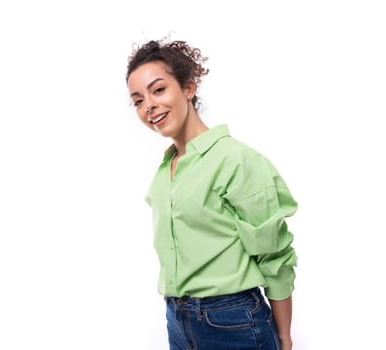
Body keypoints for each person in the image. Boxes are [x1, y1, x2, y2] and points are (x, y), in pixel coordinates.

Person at [126, 38, 298, 350]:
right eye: (137, 100)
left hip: (232, 320)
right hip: (177, 320)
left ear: (188, 88)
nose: (148, 105)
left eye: (158, 89)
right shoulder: (164, 172)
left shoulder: (235, 159)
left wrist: (284, 336)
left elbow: (275, 255)